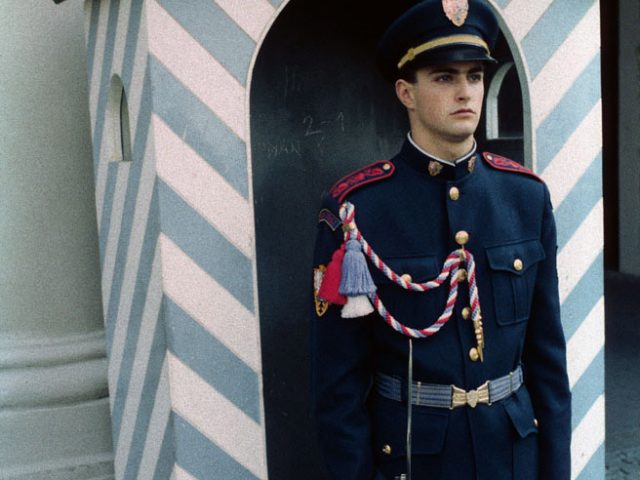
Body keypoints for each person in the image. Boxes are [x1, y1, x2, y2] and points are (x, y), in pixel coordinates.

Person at [310, 1, 571, 479]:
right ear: (406, 92)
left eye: (474, 76)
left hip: (512, 456)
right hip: (414, 459)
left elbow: (548, 361)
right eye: (445, 77)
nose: (466, 92)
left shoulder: (525, 197)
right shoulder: (355, 211)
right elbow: (338, 387)